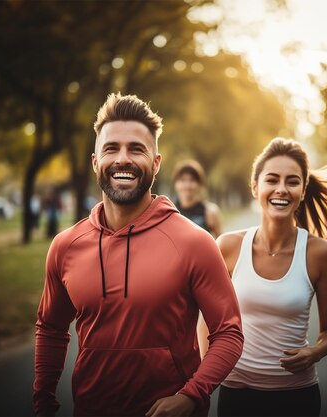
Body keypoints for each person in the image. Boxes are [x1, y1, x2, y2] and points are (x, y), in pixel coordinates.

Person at [33, 93, 243, 417]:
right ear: (95, 162)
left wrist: (191, 395)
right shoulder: (65, 247)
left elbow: (228, 333)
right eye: (111, 148)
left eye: (136, 149)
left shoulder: (194, 243)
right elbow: (50, 328)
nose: (122, 159)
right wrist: (43, 403)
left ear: (156, 164)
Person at [199, 137, 327, 417]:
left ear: (303, 190)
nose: (281, 189)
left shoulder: (320, 254)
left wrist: (315, 352)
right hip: (236, 392)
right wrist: (206, 373)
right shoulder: (228, 246)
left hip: (296, 396)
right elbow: (205, 317)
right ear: (255, 186)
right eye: (272, 180)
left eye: (292, 181)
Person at [172, 159, 222, 238]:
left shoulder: (210, 211)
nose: (187, 185)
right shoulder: (170, 212)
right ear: (175, 184)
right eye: (183, 180)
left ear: (199, 184)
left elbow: (220, 244)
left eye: (192, 180)